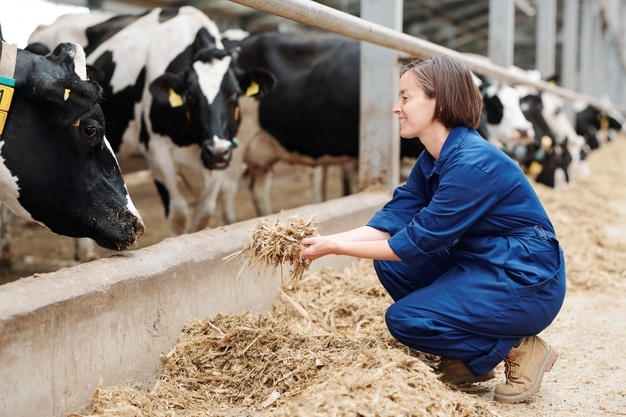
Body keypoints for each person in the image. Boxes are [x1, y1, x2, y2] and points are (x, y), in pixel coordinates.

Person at [300, 55, 566, 404]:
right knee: (392, 265)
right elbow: (392, 220)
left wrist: (333, 249)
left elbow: (414, 241)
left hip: (526, 279)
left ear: (438, 101)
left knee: (405, 320)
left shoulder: (472, 163)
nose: (397, 107)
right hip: (486, 263)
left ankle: (518, 347)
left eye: (406, 98)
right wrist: (325, 240)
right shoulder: (434, 157)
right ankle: (470, 360)